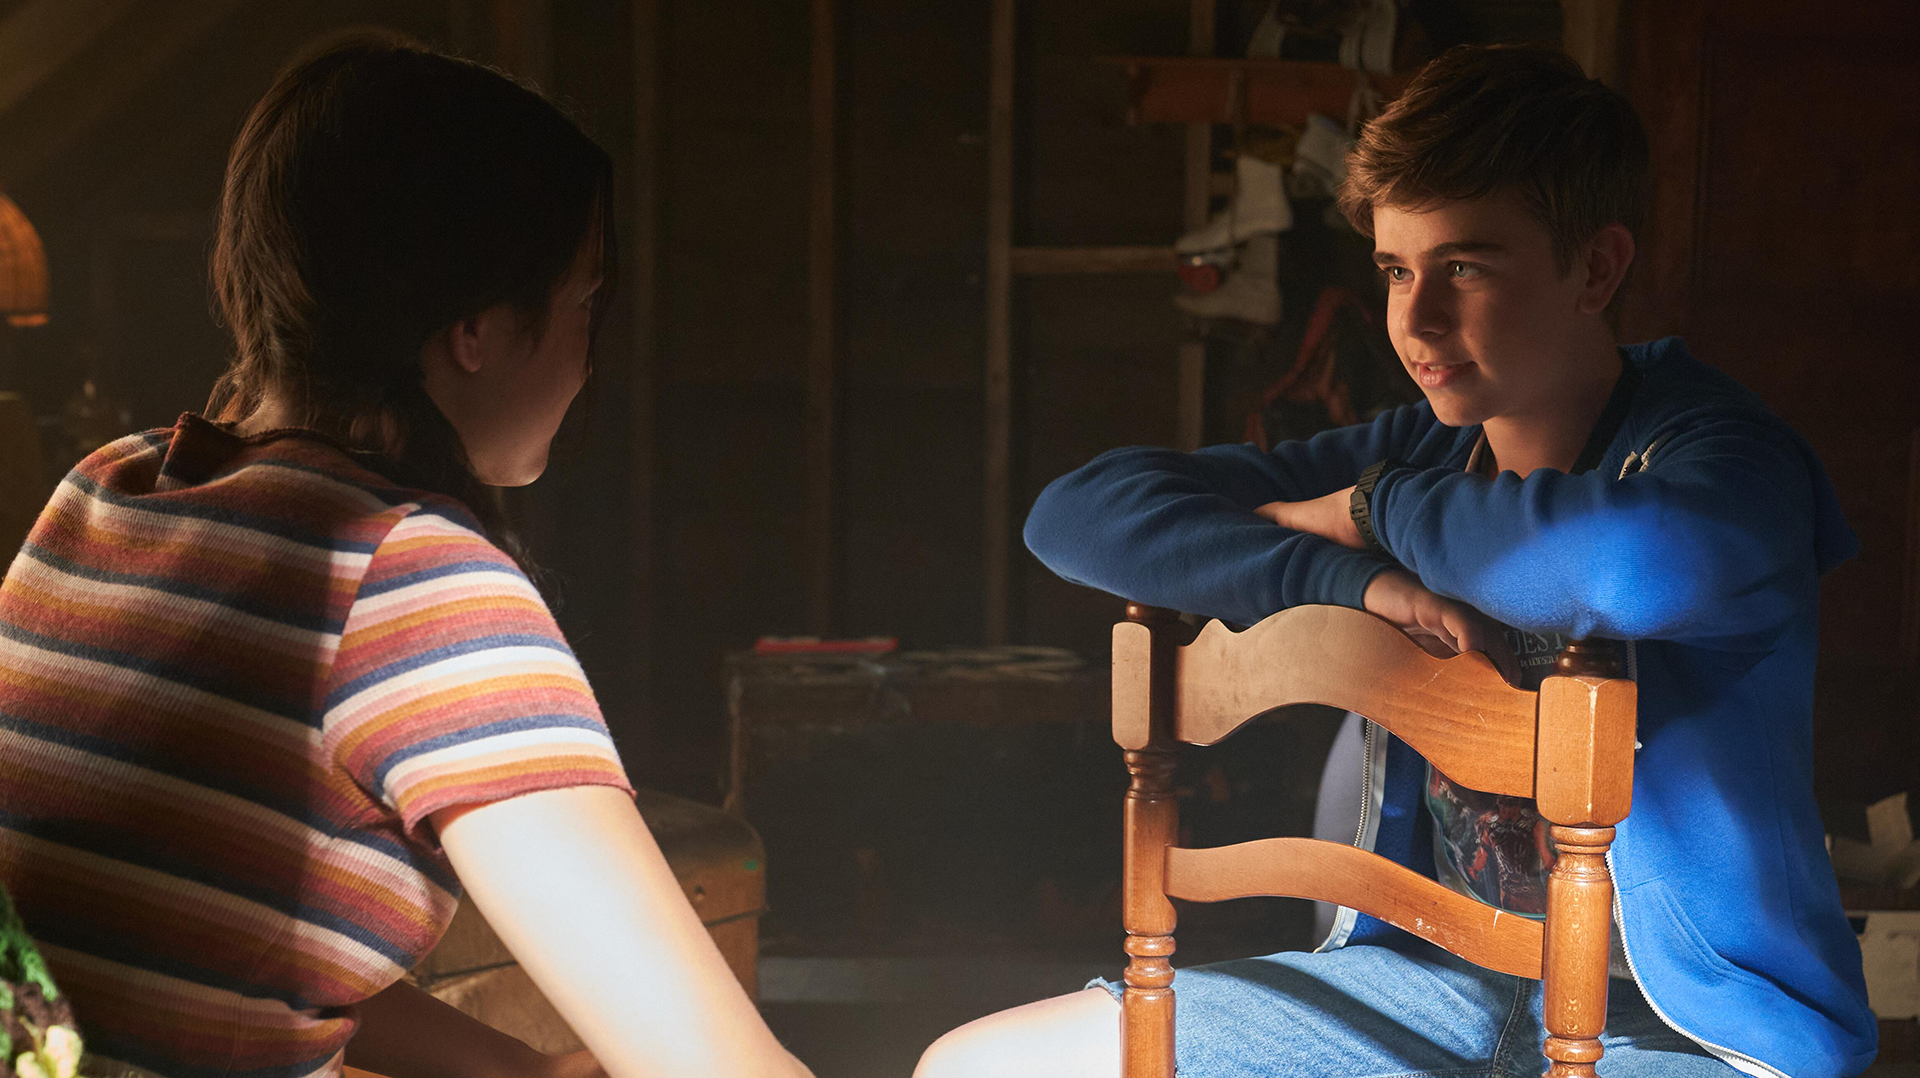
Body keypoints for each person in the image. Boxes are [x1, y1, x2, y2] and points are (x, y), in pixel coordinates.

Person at [916, 44, 1876, 1078]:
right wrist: (1348, 578)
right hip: (1434, 985)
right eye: (1394, 270)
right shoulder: (1428, 442)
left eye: (1464, 267)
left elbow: (1602, 573)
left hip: (1687, 1024)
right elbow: (1076, 514)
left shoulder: (1725, 461)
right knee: (977, 1065)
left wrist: (1373, 510)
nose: (1415, 320)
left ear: (1597, 269)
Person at [0, 36, 811, 1078]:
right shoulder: (409, 580)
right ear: (474, 329)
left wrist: (517, 1072)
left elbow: (186, 951)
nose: (589, 357)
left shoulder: (108, 492)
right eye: (583, 304)